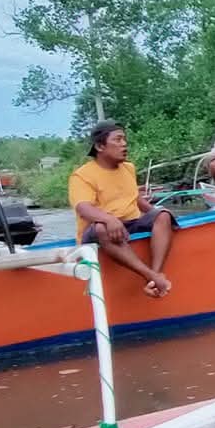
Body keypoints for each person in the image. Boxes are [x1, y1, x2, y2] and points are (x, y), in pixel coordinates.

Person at [71, 120, 176, 297]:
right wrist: (109, 219)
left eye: (124, 139)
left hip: (130, 222)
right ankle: (150, 276)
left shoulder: (128, 168)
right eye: (118, 140)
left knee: (163, 215)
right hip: (99, 229)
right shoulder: (82, 175)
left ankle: (154, 277)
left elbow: (135, 198)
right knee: (101, 227)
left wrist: (156, 212)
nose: (124, 144)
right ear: (100, 146)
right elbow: (83, 208)